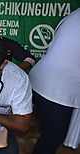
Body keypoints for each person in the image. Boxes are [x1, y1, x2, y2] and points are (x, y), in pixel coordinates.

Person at [29, 8, 80, 154]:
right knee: (52, 138)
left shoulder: (75, 14)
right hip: (57, 90)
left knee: (49, 134)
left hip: (41, 80)